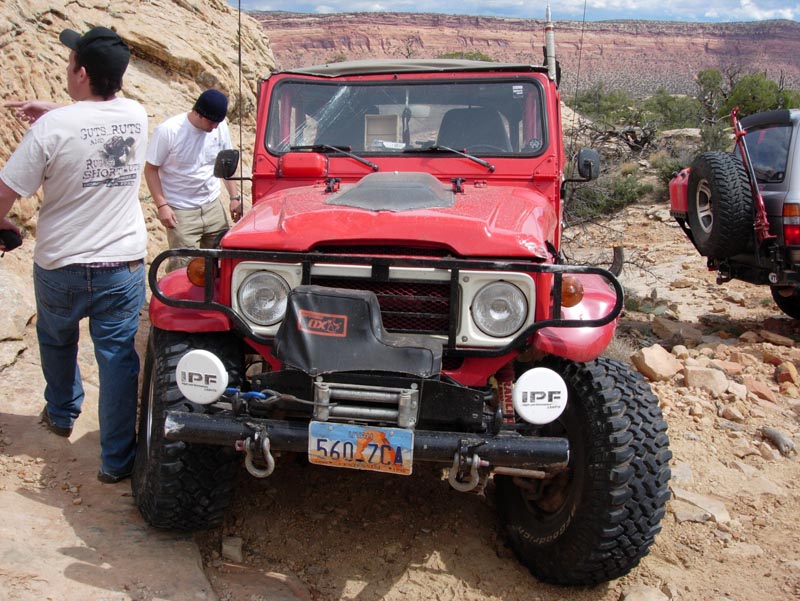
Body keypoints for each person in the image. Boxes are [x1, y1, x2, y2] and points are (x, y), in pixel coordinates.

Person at [0, 26, 148, 484]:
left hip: (61, 264)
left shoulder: (52, 128)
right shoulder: (138, 115)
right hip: (122, 264)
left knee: (58, 340)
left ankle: (62, 414)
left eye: (70, 64)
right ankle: (115, 462)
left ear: (81, 73)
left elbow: (6, 194)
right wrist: (58, 112)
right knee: (119, 358)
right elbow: (99, 123)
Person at [144, 89, 241, 271]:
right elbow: (150, 170)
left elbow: (225, 165)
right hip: (181, 211)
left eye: (218, 122)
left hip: (212, 206)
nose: (214, 127)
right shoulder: (168, 131)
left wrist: (234, 198)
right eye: (211, 121)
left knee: (221, 262)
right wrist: (162, 206)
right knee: (184, 268)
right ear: (198, 112)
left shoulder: (220, 127)